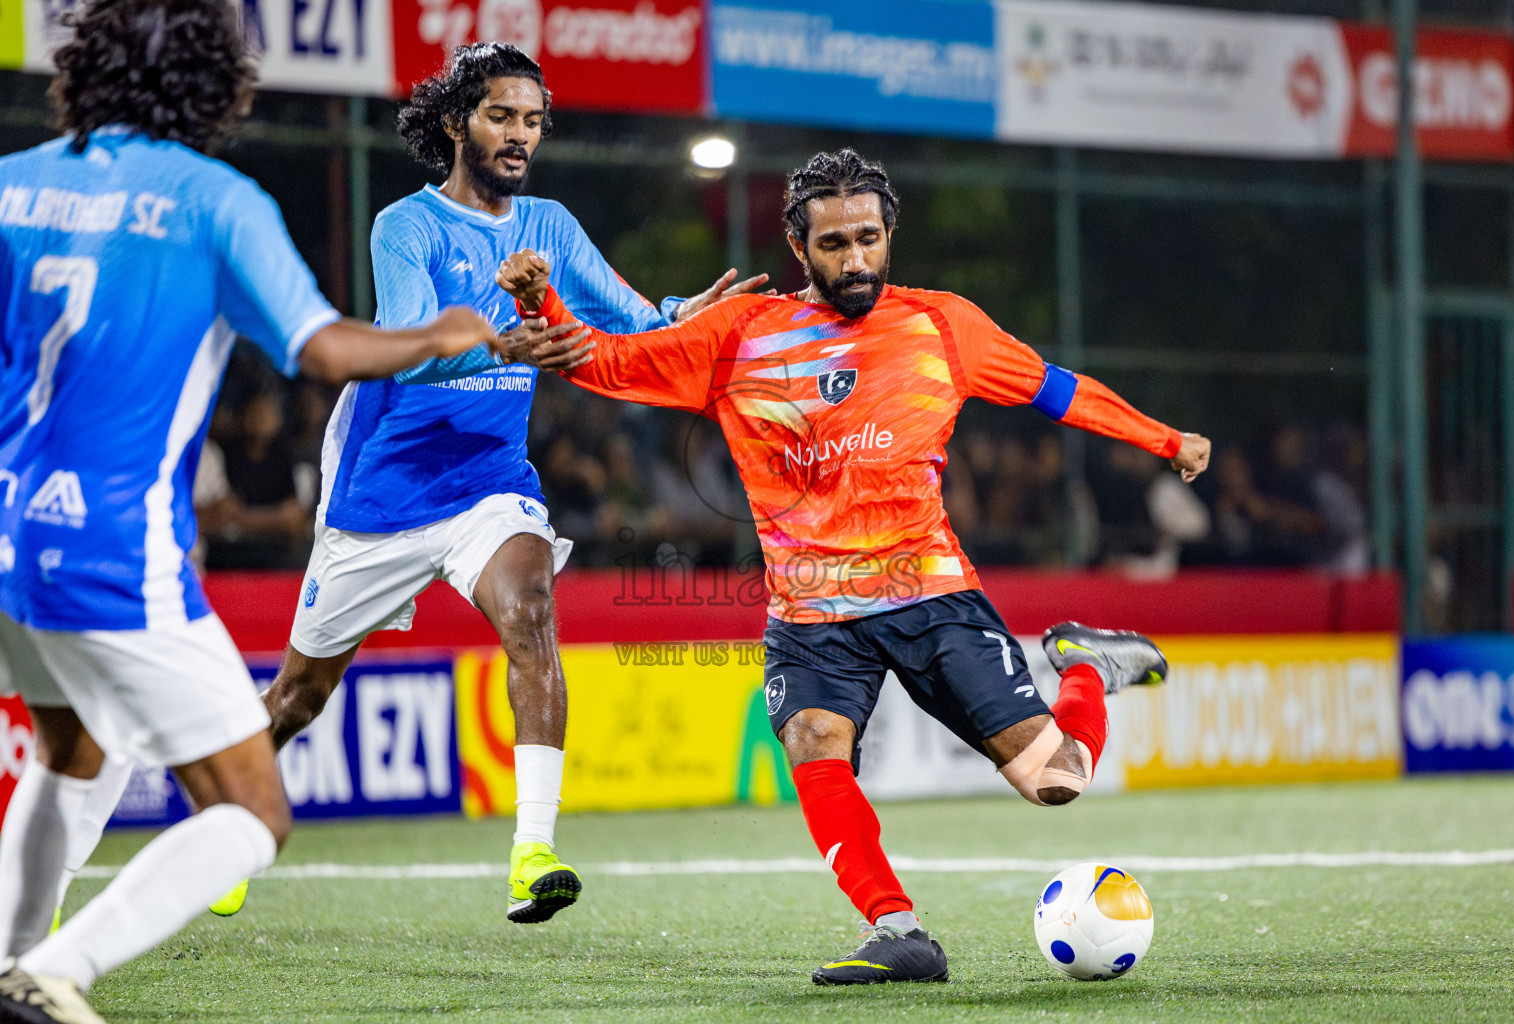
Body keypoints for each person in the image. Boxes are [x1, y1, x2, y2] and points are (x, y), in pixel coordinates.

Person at [499, 148, 1211, 985]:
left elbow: (1056, 389)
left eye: (869, 239)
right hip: (808, 615)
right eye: (834, 245)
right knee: (813, 741)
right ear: (800, 249)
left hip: (930, 596)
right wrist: (539, 300)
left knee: (1057, 782)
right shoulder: (739, 336)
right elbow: (608, 362)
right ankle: (899, 931)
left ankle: (1085, 666)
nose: (856, 260)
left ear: (888, 235)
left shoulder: (944, 325)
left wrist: (1163, 439)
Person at [0, 2, 501, 1021]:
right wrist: (442, 334)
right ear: (213, 81)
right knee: (252, 810)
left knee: (70, 747)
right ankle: (54, 973)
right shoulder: (213, 199)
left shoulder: (12, 183)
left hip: (7, 527)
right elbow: (321, 349)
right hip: (110, 547)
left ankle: (10, 962)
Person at [232, 41, 766, 924]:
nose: (521, 136)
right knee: (297, 698)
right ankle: (229, 816)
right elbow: (404, 351)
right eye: (502, 116)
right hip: (382, 490)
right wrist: (505, 344)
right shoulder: (408, 226)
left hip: (488, 482)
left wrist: (682, 321)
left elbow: (627, 318)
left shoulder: (548, 223)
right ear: (455, 123)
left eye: (532, 120)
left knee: (531, 607)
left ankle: (532, 850)